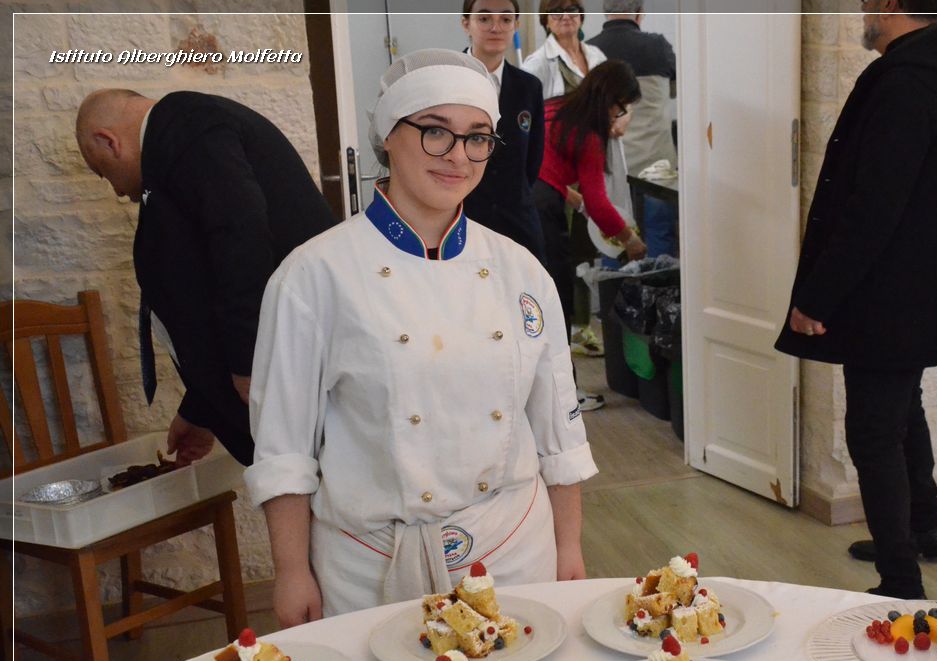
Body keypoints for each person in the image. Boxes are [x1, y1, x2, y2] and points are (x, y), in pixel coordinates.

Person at [246, 49, 598, 627]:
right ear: (389, 135)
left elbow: (559, 430)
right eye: (435, 131)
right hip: (369, 567)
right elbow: (284, 447)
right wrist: (290, 571)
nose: (458, 156)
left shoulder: (521, 272)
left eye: (478, 137)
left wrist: (569, 546)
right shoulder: (313, 275)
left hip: (513, 551)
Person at [774, 0, 937, 599]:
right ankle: (927, 528)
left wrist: (817, 297)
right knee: (901, 410)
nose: (862, 7)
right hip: (923, 286)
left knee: (872, 431)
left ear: (892, 4)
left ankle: (900, 580)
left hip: (888, 292)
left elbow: (871, 207)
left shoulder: (903, 85)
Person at [75, 89, 336, 467]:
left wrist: (249, 361)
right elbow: (204, 282)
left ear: (108, 141)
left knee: (309, 487)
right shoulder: (177, 139)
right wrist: (200, 409)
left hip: (289, 366)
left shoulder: (188, 124)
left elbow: (240, 238)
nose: (116, 190)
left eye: (102, 172)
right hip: (280, 365)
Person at [535, 61, 647, 412]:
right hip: (542, 212)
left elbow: (542, 165)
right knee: (557, 302)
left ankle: (539, 394)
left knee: (532, 301)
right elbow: (600, 204)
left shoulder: (554, 107)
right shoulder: (588, 134)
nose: (618, 116)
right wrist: (630, 240)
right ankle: (564, 398)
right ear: (610, 100)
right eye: (621, 108)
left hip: (520, 203)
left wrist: (573, 198)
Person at [587, 0, 679, 259]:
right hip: (656, 162)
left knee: (613, 235)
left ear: (605, 12)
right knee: (660, 234)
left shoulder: (590, 51)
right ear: (640, 14)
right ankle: (657, 282)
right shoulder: (658, 46)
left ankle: (615, 283)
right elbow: (675, 89)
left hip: (610, 162)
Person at [461, 0, 547, 265]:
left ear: (516, 25)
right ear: (466, 24)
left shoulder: (528, 87)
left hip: (517, 220)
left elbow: (532, 161)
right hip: (462, 218)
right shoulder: (446, 79)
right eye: (484, 18)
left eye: (506, 19)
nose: (496, 27)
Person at [521, 0, 607, 101]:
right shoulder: (536, 63)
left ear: (581, 18)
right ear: (546, 22)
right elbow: (522, 106)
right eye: (557, 12)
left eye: (572, 10)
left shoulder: (597, 55)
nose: (566, 16)